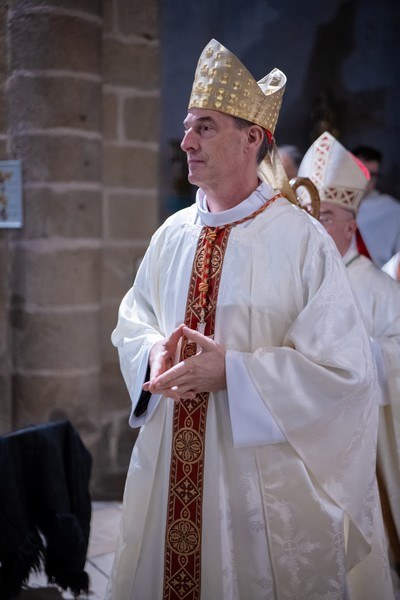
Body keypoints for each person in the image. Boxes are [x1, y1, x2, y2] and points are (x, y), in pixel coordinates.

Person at [106, 40, 393, 599]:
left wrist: (235, 374)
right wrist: (152, 352)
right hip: (169, 468)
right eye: (187, 127)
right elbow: (134, 318)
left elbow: (346, 374)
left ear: (252, 138)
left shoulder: (301, 240)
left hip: (257, 488)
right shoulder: (171, 235)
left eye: (205, 127)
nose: (186, 142)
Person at [298, 130, 400, 593]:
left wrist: (354, 360)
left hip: (359, 443)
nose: (315, 227)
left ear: (349, 226)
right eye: (309, 217)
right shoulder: (297, 282)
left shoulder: (380, 289)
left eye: (325, 217)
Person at [351, 145, 400, 267]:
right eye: (361, 172)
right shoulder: (331, 205)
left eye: (371, 175)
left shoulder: (393, 210)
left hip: (378, 273)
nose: (366, 180)